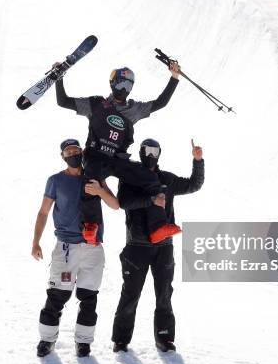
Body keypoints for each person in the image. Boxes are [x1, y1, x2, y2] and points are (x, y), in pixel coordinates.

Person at [53, 61, 183, 245]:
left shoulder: (134, 109)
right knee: (90, 184)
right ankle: (90, 226)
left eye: (129, 84)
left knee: (152, 179)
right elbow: (63, 101)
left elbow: (160, 103)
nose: (124, 88)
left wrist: (174, 77)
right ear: (112, 83)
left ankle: (158, 227)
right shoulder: (97, 104)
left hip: (118, 159)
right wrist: (59, 78)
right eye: (121, 83)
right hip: (96, 156)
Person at [112, 138, 204, 353]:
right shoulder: (130, 178)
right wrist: (150, 200)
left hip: (164, 247)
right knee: (131, 293)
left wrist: (198, 161)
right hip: (137, 246)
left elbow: (194, 184)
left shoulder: (167, 179)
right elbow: (123, 202)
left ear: (160, 153)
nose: (151, 154)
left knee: (164, 293)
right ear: (141, 152)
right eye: (147, 150)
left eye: (155, 150)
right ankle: (121, 340)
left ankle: (164, 338)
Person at [32, 138, 119, 358]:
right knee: (57, 296)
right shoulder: (55, 180)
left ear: (81, 152)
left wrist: (99, 190)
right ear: (63, 156)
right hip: (65, 248)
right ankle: (47, 340)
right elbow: (43, 212)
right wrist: (36, 242)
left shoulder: (94, 177)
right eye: (68, 151)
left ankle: (83, 343)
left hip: (93, 247)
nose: (72, 154)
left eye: (76, 150)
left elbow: (115, 205)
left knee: (88, 297)